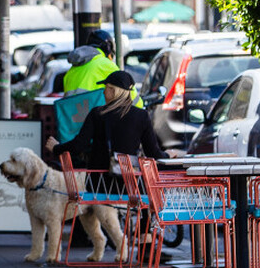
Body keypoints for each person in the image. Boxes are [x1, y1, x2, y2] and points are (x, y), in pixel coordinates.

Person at [44, 70, 179, 186]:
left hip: (98, 184)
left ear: (114, 91)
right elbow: (153, 153)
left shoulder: (97, 114)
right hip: (129, 186)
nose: (103, 92)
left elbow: (79, 145)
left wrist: (56, 147)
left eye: (106, 88)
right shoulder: (141, 116)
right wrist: (167, 154)